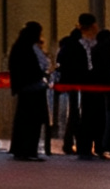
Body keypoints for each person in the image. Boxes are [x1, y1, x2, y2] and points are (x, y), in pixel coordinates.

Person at [55, 13, 99, 158]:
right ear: (92, 25)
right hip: (84, 82)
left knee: (74, 113)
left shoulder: (70, 41)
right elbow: (89, 64)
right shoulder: (85, 42)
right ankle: (81, 145)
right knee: (82, 113)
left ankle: (70, 143)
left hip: (72, 81)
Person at [7, 22, 49, 160]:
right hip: (34, 88)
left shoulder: (18, 47)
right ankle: (30, 150)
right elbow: (42, 65)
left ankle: (20, 149)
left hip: (23, 88)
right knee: (34, 121)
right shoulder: (31, 48)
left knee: (23, 120)